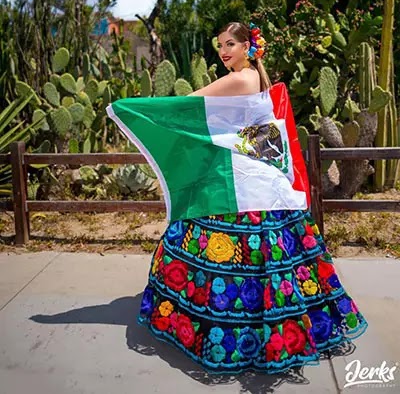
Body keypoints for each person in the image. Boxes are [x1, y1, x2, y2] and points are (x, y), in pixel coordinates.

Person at [137, 21, 368, 374]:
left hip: (246, 181)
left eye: (230, 44)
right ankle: (276, 325)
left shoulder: (239, 79)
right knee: (271, 256)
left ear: (248, 46)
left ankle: (237, 330)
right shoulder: (257, 78)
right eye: (219, 46)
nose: (223, 51)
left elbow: (185, 104)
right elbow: (250, 132)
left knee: (231, 252)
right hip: (261, 176)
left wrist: (134, 110)